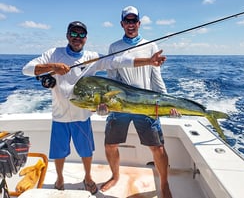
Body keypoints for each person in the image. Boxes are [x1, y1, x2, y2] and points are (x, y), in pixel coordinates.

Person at [22, 21, 166, 195]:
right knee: (59, 153)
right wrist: (52, 67)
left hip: (82, 115)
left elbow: (118, 61)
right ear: (67, 35)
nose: (77, 38)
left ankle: (88, 178)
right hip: (59, 114)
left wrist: (149, 61)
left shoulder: (92, 57)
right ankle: (59, 178)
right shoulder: (54, 54)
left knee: (86, 151)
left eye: (81, 34)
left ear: (86, 38)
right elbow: (27, 69)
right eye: (74, 34)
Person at [101, 6, 173, 198]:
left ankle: (164, 184)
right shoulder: (114, 47)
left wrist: (166, 102)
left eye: (134, 21)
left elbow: (156, 77)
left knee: (157, 147)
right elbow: (112, 78)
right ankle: (115, 176)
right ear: (122, 24)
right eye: (127, 21)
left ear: (139, 23)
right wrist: (107, 103)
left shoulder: (151, 46)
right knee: (110, 145)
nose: (131, 24)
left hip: (146, 104)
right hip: (120, 105)